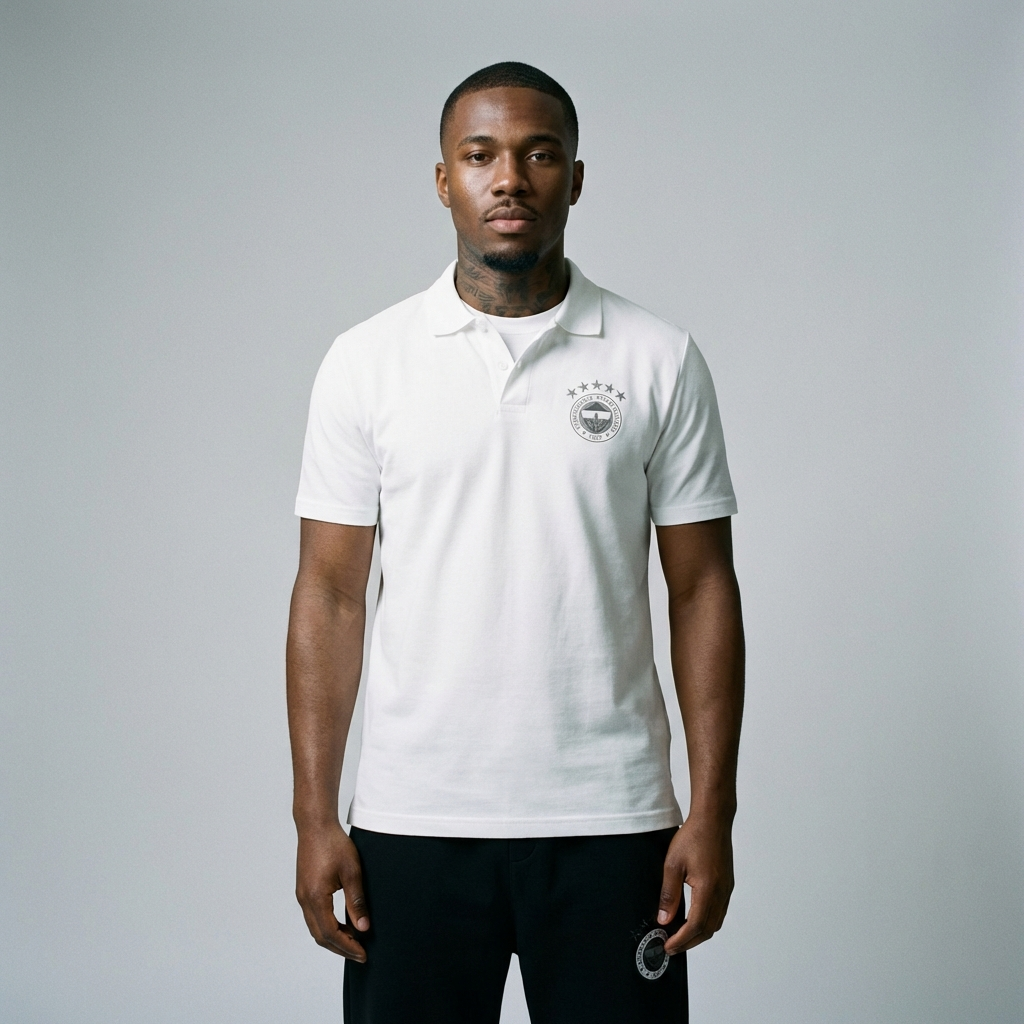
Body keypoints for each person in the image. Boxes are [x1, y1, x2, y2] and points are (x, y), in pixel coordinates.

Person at [287, 61, 744, 1023]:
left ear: (575, 179)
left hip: (613, 819)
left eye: (538, 155)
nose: (509, 179)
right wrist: (313, 814)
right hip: (413, 819)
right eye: (480, 155)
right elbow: (329, 593)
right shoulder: (366, 363)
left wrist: (713, 811)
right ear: (443, 179)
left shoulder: (658, 358)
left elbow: (702, 588)